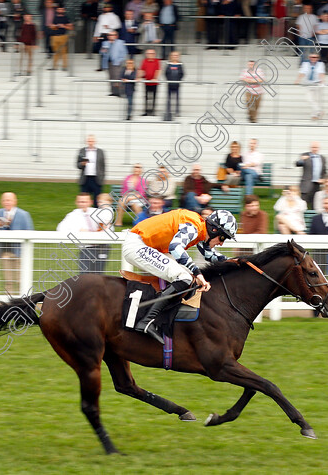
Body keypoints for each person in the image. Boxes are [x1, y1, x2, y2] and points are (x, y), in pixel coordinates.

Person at [122, 208, 237, 344]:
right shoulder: (193, 227)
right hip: (137, 246)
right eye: (222, 237)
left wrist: (235, 262)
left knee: (184, 274)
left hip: (146, 245)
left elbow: (209, 255)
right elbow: (175, 247)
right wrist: (197, 272)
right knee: (185, 277)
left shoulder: (199, 229)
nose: (221, 243)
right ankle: (147, 321)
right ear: (214, 230)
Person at [0, 191, 34, 294]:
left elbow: (30, 231)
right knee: (8, 280)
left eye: (9, 200)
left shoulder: (23, 214)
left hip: (19, 253)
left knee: (20, 279)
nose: (6, 202)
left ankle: (23, 301)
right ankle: (9, 302)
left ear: (15, 201)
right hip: (5, 253)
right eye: (4, 200)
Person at [57, 193, 104, 273]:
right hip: (86, 248)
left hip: (102, 247)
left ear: (90, 202)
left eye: (85, 202)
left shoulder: (98, 213)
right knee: (84, 276)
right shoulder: (72, 215)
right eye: (80, 202)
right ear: (76, 202)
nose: (82, 204)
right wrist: (79, 231)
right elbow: (60, 228)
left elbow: (109, 226)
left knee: (99, 275)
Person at [295, 142, 328, 208]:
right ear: (310, 148)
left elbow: (324, 171)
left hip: (317, 184)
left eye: (316, 147)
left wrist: (323, 179)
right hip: (306, 183)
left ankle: (312, 216)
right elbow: (297, 164)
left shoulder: (322, 158)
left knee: (315, 203)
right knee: (303, 203)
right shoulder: (305, 155)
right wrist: (302, 159)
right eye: (313, 147)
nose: (314, 149)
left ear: (319, 148)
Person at [294, 53, 326, 120]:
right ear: (309, 57)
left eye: (315, 57)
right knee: (309, 99)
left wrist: (323, 81)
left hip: (317, 83)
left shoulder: (321, 64)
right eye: (312, 57)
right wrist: (298, 80)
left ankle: (314, 115)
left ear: (318, 58)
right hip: (308, 83)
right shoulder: (305, 64)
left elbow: (321, 73)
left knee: (316, 100)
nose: (313, 58)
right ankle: (319, 111)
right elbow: (302, 72)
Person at [76, 135, 106, 203]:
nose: (90, 142)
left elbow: (103, 166)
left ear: (95, 142)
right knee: (84, 199)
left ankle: (96, 212)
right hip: (85, 178)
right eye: (89, 141)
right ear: (86, 142)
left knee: (97, 199)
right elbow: (77, 164)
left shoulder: (100, 152)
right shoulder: (82, 151)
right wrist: (82, 164)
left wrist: (102, 178)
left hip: (96, 178)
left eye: (92, 141)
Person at [102, 31, 127, 97]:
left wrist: (120, 60)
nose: (111, 36)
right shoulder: (105, 43)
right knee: (111, 77)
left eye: (113, 35)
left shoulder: (120, 42)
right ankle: (113, 91)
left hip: (117, 63)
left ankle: (120, 92)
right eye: (110, 35)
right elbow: (102, 52)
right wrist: (105, 49)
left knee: (118, 77)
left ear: (116, 36)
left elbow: (124, 53)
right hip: (108, 62)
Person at [49, 6, 73, 71]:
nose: (60, 10)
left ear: (64, 10)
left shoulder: (66, 18)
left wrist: (63, 26)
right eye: (59, 9)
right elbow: (51, 26)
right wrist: (54, 26)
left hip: (63, 36)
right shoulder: (55, 18)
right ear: (57, 10)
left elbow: (71, 28)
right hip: (54, 36)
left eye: (61, 9)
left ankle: (64, 66)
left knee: (63, 52)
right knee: (55, 52)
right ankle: (54, 66)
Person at [163, 51, 183, 121]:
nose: (175, 57)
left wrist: (178, 79)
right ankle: (168, 110)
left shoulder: (180, 64)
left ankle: (177, 111)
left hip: (177, 84)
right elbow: (165, 73)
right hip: (169, 84)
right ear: (171, 56)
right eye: (173, 55)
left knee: (177, 98)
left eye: (176, 55)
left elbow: (182, 73)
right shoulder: (168, 64)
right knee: (169, 98)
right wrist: (169, 79)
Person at [140, 49, 161, 116]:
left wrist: (155, 78)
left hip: (154, 83)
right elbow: (141, 70)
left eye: (152, 53)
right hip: (146, 82)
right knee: (146, 97)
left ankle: (153, 111)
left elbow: (158, 70)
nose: (150, 55)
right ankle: (146, 111)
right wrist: (139, 77)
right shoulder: (144, 61)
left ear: (154, 54)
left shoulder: (157, 61)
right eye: (149, 53)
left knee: (154, 97)